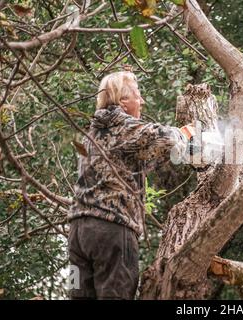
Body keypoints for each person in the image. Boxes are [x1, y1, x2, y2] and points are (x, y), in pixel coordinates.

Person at [67, 71, 194, 299]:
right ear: (123, 101)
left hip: (78, 235)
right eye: (138, 95)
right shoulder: (123, 127)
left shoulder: (93, 133)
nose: (142, 101)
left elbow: (137, 161)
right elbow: (169, 139)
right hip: (112, 231)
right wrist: (185, 133)